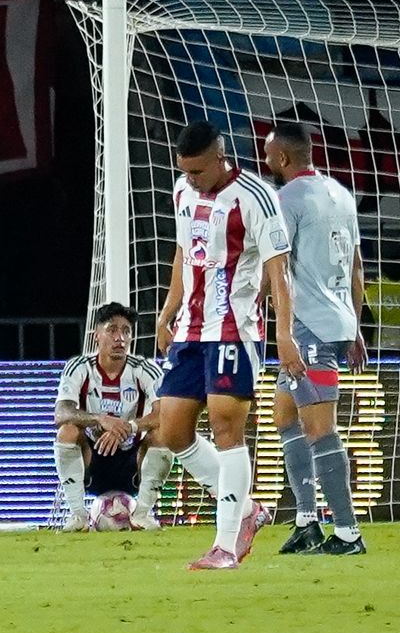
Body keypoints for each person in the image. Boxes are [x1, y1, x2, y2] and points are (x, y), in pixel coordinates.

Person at [154, 120, 298, 570]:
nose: (191, 179)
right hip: (190, 331)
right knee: (171, 430)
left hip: (236, 329)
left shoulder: (256, 197)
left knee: (225, 428)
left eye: (198, 171)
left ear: (220, 158)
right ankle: (248, 510)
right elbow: (183, 252)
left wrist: (284, 334)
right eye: (185, 171)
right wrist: (167, 311)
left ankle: (225, 544)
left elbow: (278, 270)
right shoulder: (182, 191)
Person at [263, 122, 368, 555]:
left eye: (268, 154)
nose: (265, 160)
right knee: (284, 414)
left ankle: (347, 532)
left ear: (283, 158)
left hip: (310, 328)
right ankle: (307, 521)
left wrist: (278, 329)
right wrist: (355, 327)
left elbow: (278, 270)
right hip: (337, 322)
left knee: (319, 429)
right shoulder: (340, 194)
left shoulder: (285, 200)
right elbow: (357, 267)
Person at [54, 302, 171, 531]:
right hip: (92, 459)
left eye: (126, 331)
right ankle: (78, 516)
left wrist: (128, 427)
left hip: (131, 460)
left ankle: (142, 515)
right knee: (67, 430)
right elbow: (61, 413)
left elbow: (165, 414)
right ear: (97, 335)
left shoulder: (145, 369)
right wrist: (100, 419)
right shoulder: (79, 367)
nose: (120, 338)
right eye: (112, 330)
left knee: (163, 434)